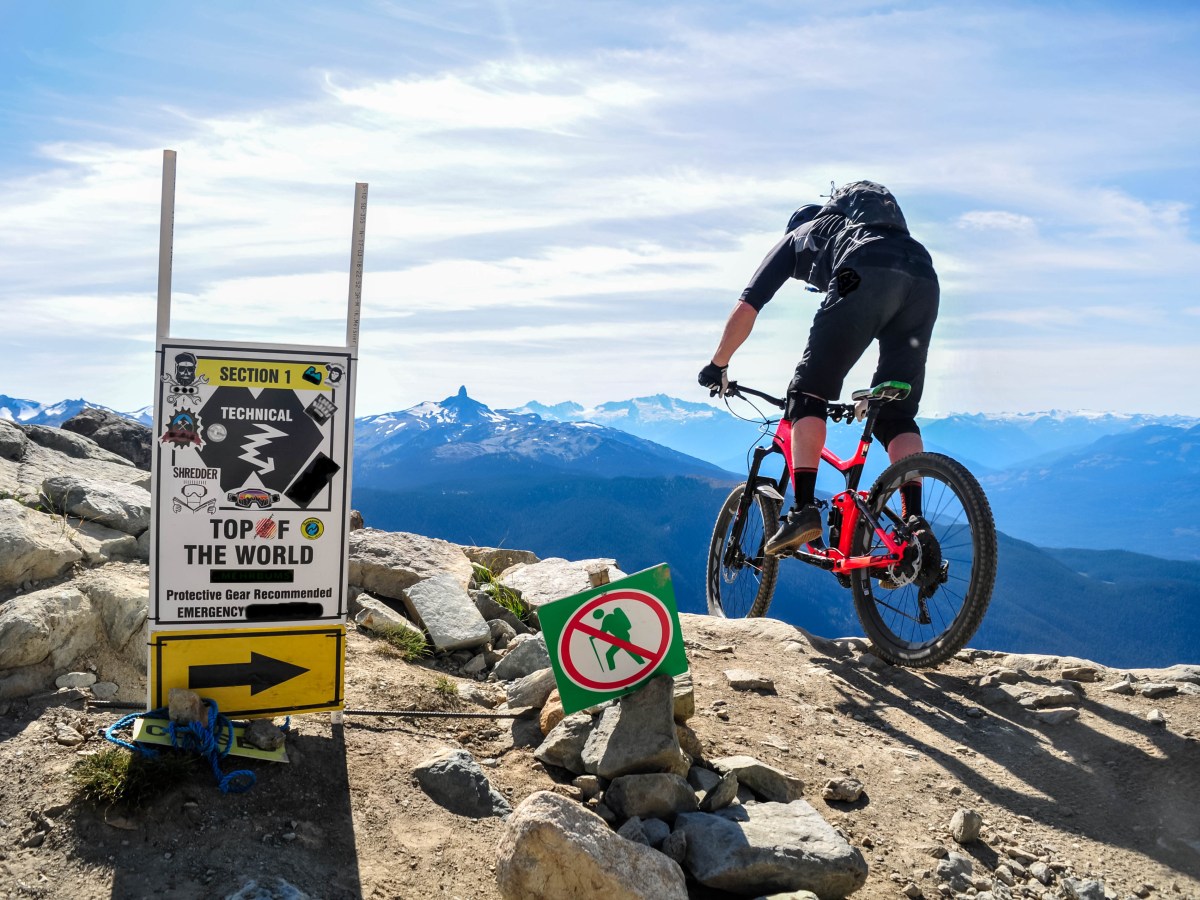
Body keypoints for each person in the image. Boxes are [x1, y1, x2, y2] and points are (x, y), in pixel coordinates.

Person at [699, 181, 938, 556]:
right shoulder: (853, 227)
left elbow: (748, 306)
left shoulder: (796, 238)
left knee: (807, 394)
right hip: (923, 274)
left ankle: (803, 510)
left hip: (864, 268)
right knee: (896, 414)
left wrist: (718, 364)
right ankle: (915, 525)